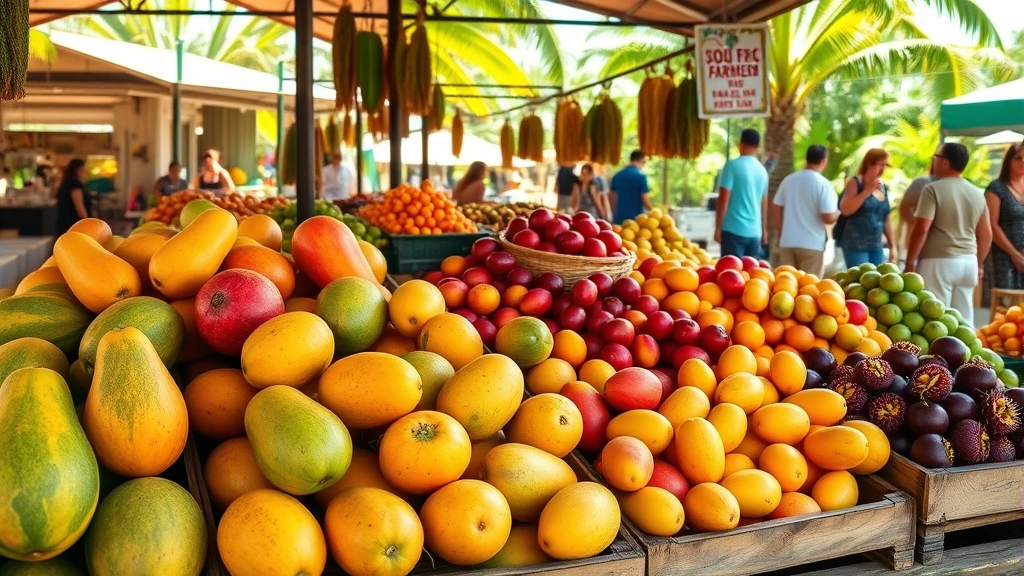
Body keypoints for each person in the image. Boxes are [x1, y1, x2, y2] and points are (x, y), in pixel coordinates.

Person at [905, 142, 991, 327]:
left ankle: (937, 357)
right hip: (969, 262)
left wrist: (910, 261)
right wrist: (979, 264)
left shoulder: (932, 189)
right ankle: (969, 356)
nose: (933, 161)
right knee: (965, 322)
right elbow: (986, 235)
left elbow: (921, 229)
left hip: (939, 262)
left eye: (936, 157)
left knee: (935, 319)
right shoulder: (977, 193)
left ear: (945, 163)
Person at [771, 144, 839, 277]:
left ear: (806, 159)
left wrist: (781, 230)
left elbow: (776, 206)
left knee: (786, 285)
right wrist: (837, 213)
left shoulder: (788, 180)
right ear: (824, 161)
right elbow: (828, 217)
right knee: (808, 289)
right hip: (812, 244)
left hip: (788, 241)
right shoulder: (824, 184)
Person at [837, 149, 897, 266]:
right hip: (855, 244)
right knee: (860, 279)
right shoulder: (855, 183)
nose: (882, 169)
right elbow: (845, 209)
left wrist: (892, 246)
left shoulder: (882, 186)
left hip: (876, 245)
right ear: (869, 164)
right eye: (880, 165)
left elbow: (886, 218)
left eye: (885, 165)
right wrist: (866, 192)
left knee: (877, 280)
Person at [715, 129, 769, 258]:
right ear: (758, 147)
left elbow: (723, 199)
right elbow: (764, 202)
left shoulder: (732, 166)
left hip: (733, 230)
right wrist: (764, 229)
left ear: (740, 144)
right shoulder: (762, 171)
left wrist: (718, 227)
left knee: (731, 274)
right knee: (751, 276)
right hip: (755, 233)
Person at [985, 142, 1024, 289]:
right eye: (1018, 158)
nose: (1023, 162)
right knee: (1006, 306)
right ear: (1008, 161)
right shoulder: (996, 188)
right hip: (1004, 257)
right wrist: (1014, 254)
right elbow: (991, 225)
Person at [610, 150, 652, 224]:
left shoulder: (617, 176)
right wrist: (653, 211)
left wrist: (614, 214)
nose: (644, 164)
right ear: (640, 160)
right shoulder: (641, 177)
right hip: (636, 221)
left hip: (619, 219)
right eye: (644, 162)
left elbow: (611, 197)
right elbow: (644, 198)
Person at [55, 158, 92, 235]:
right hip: (74, 226)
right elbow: (80, 208)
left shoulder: (67, 182)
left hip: (65, 224)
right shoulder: (74, 184)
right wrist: (89, 225)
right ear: (78, 169)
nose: (86, 172)